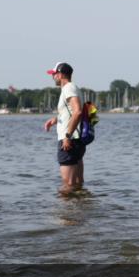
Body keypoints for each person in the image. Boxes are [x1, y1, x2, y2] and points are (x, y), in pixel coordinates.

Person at [43, 62, 86, 190]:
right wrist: (56, 119)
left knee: (67, 186)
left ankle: (66, 210)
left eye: (54, 74)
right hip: (76, 141)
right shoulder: (73, 88)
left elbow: (77, 111)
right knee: (77, 185)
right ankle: (79, 209)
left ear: (60, 74)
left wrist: (67, 136)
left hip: (69, 141)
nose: (53, 77)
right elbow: (72, 112)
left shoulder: (68, 88)